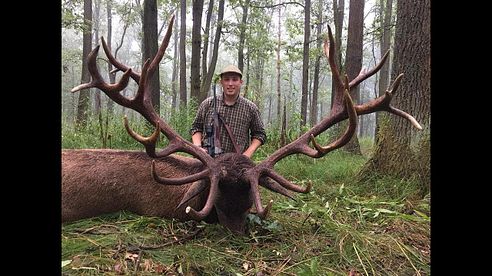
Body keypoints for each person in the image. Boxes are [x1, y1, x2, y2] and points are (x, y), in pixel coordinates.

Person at [190, 65, 266, 158]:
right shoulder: (207, 104)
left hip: (237, 163)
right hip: (207, 160)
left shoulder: (251, 108)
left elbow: (259, 134)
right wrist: (198, 147)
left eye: (234, 80)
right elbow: (196, 127)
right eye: (226, 80)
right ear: (221, 82)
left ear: (240, 82)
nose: (230, 84)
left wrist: (247, 154)